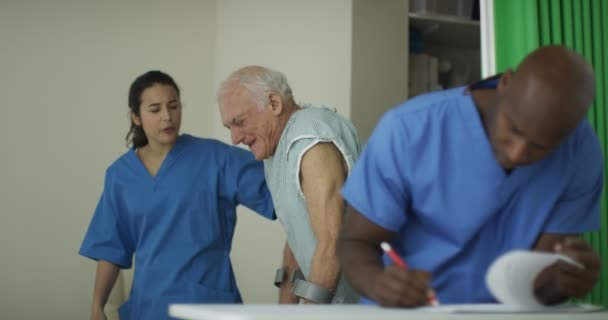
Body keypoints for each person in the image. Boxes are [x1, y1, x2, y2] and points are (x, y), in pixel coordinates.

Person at [337, 45, 603, 307]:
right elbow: (356, 243)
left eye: (541, 146)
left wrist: (563, 281)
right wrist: (378, 283)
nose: (518, 153)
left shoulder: (580, 151)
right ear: (505, 82)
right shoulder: (408, 130)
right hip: (412, 311)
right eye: (513, 128)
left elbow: (537, 285)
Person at [79, 71, 275, 320]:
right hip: (148, 308)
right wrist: (97, 307)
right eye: (155, 109)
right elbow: (110, 248)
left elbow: (283, 192)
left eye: (173, 106)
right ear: (136, 117)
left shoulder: (216, 159)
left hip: (209, 305)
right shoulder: (120, 176)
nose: (167, 117)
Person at [217, 66, 361, 304]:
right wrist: (286, 309)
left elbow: (332, 244)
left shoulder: (310, 141)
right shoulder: (276, 148)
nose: (234, 138)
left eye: (239, 122)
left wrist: (309, 312)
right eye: (229, 127)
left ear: (274, 103)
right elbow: (298, 235)